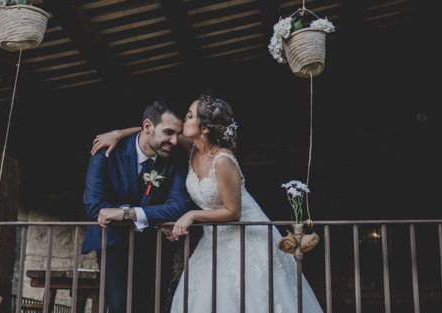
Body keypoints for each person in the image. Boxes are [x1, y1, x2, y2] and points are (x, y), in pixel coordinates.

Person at [91, 95, 324, 313]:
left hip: (245, 234)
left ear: (204, 127)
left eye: (190, 116)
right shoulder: (191, 148)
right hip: (216, 237)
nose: (185, 119)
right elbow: (152, 131)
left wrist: (192, 215)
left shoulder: (223, 161)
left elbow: (233, 212)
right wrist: (118, 133)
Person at [82, 99, 190, 313]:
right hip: (113, 242)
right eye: (168, 132)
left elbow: (178, 206)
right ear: (148, 127)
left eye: (177, 134)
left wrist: (126, 213)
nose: (174, 141)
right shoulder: (106, 152)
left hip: (156, 245)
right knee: (120, 306)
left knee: (152, 307)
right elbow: (95, 207)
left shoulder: (175, 159)